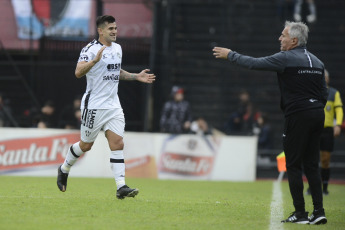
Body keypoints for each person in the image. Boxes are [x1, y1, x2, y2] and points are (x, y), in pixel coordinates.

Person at [213, 21, 328, 225]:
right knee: (312, 164)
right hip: (317, 114)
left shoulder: (286, 58)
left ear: (294, 40)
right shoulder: (318, 62)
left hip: (298, 115)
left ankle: (300, 213)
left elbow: (254, 63)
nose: (279, 38)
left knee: (293, 164)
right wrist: (315, 108)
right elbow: (323, 93)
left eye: (283, 35)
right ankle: (319, 212)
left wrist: (230, 54)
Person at [56, 15, 156, 199]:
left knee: (117, 143)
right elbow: (78, 72)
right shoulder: (90, 49)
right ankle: (64, 168)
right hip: (94, 105)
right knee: (86, 146)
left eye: (116, 28)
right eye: (110, 29)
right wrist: (94, 61)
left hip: (113, 105)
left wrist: (136, 76)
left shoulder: (118, 48)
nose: (115, 31)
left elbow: (115, 71)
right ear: (100, 31)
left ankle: (121, 187)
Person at [306, 69, 343, 195]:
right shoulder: (313, 91)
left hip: (327, 130)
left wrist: (338, 124)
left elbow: (339, 110)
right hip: (314, 128)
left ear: (328, 79)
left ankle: (325, 187)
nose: (323, 78)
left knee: (325, 159)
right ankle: (311, 187)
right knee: (312, 159)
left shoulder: (333, 93)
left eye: (325, 76)